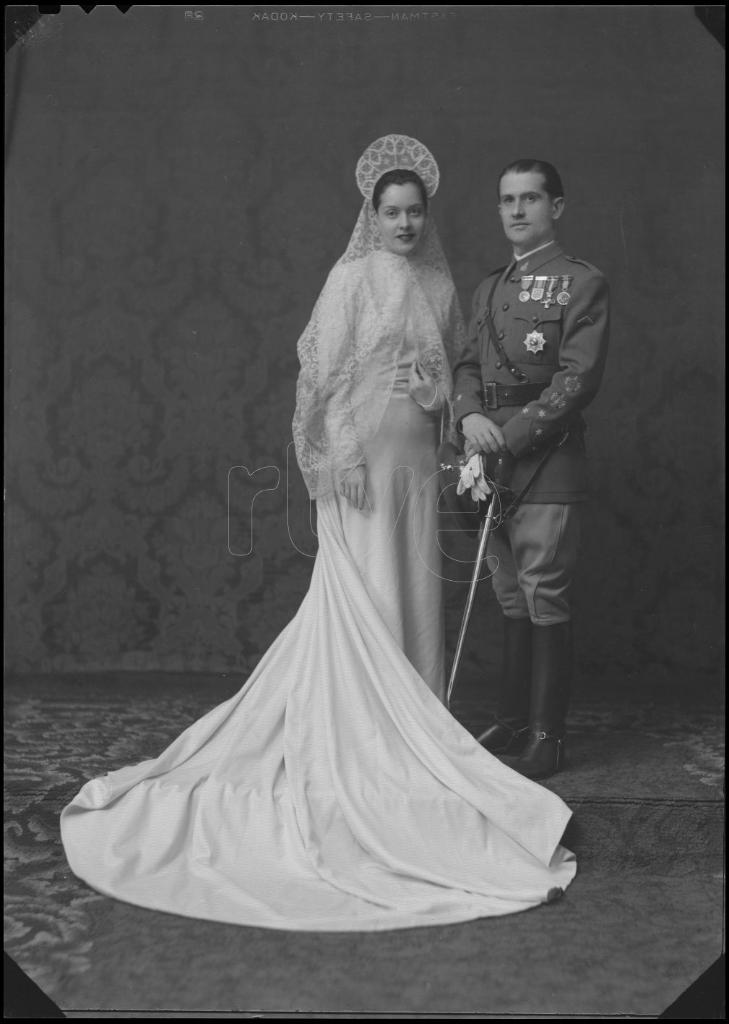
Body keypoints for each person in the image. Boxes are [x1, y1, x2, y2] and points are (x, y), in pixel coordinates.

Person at [60, 137, 576, 932]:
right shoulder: (349, 279)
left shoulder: (440, 283)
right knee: (363, 590)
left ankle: (412, 739)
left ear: (426, 217)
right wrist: (334, 459)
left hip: (413, 457)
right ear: (370, 217)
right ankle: (359, 736)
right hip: (361, 460)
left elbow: (446, 377)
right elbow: (319, 377)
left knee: (413, 588)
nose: (404, 225)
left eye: (415, 213)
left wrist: (435, 390)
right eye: (391, 213)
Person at [453, 159, 610, 781]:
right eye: (507, 201)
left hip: (544, 458)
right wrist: (468, 417)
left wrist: (508, 438)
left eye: (530, 199)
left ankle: (548, 736)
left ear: (557, 207)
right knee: (510, 594)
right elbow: (467, 364)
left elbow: (577, 379)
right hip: (487, 455)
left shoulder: (581, 282)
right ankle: (513, 721)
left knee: (544, 590)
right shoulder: (489, 289)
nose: (516, 211)